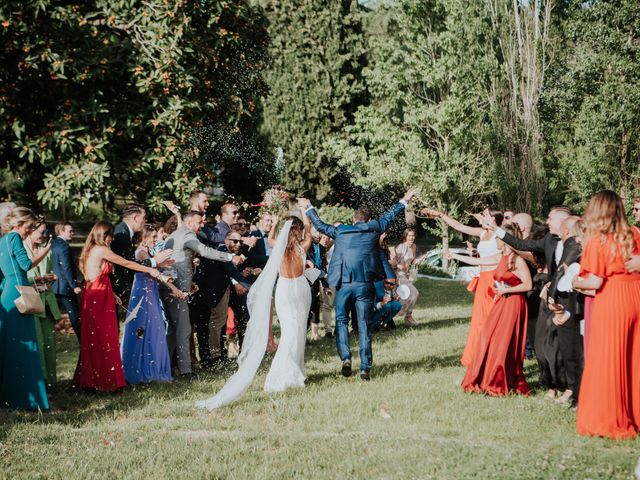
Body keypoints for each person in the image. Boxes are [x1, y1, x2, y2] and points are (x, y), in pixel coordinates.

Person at [195, 215, 312, 410]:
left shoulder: (278, 246)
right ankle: (284, 373)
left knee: (292, 333)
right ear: (298, 231)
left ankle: (294, 370)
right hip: (299, 290)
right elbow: (308, 230)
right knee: (296, 333)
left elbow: (273, 237)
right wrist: (304, 210)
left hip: (287, 291)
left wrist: (274, 226)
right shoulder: (303, 246)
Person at [304, 190, 416, 380]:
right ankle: (365, 367)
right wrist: (404, 200)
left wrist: (308, 208)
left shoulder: (341, 230)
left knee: (341, 321)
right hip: (365, 285)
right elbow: (390, 215)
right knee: (364, 324)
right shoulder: (375, 228)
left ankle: (346, 358)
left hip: (344, 285)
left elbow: (320, 225)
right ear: (369, 219)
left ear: (353, 219)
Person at [484, 206, 572, 400]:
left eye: (550, 218)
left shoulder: (576, 242)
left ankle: (567, 387)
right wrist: (496, 230)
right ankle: (550, 385)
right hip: (546, 295)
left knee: (560, 345)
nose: (547, 222)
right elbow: (521, 245)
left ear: (562, 221)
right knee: (540, 343)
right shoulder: (548, 239)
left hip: (569, 298)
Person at [572, 190, 640, 439]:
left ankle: (610, 417)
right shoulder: (634, 233)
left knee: (608, 358)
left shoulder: (598, 240)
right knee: (634, 358)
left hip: (614, 300)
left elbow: (595, 282)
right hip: (636, 296)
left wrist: (575, 282)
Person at [73, 222, 168, 392]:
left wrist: (112, 293)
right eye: (111, 236)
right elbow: (126, 263)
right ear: (104, 235)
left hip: (96, 294)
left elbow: (93, 276)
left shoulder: (90, 249)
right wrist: (151, 269)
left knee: (96, 338)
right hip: (99, 298)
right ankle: (106, 381)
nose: (112, 239)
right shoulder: (101, 249)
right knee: (105, 338)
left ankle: (94, 380)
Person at [161, 211, 243, 377]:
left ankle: (165, 368)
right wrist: (229, 256)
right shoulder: (187, 234)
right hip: (177, 291)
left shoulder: (175, 234)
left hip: (169, 287)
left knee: (171, 330)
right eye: (200, 222)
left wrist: (188, 282)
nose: (202, 225)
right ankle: (186, 372)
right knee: (184, 330)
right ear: (189, 221)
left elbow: (176, 263)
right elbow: (204, 251)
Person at [422, 206, 503, 366]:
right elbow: (459, 226)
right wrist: (440, 214)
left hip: (494, 279)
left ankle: (493, 355)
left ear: (493, 218)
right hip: (483, 277)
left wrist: (460, 256)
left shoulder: (499, 235)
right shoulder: (482, 233)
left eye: (484, 214)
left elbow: (496, 259)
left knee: (491, 318)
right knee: (479, 319)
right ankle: (476, 356)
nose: (481, 217)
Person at [457, 224, 532, 396]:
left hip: (514, 303)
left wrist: (507, 290)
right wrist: (453, 255)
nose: (495, 240)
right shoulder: (501, 257)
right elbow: (478, 261)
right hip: (501, 302)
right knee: (488, 337)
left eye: (497, 238)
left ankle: (501, 380)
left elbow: (528, 284)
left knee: (504, 341)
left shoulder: (517, 259)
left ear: (505, 240)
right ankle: (486, 377)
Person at [0, 207, 51, 410]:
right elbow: (26, 264)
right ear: (19, 224)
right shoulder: (14, 238)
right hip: (18, 295)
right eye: (28, 228)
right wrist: (45, 252)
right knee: (27, 347)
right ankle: (26, 400)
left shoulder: (2, 240)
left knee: (10, 347)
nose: (29, 232)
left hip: (7, 294)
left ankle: (9, 396)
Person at [121, 225, 182, 384]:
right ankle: (141, 370)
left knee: (154, 330)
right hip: (143, 297)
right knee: (143, 330)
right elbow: (150, 269)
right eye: (153, 237)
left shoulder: (147, 253)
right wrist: (160, 266)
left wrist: (171, 281)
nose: (157, 240)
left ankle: (152, 368)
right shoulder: (141, 253)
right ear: (143, 239)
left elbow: (158, 272)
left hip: (151, 295)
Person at [190, 230, 251, 367]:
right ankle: (214, 357)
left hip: (218, 293)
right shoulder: (222, 253)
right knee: (214, 325)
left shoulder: (224, 252)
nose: (238, 244)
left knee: (216, 325)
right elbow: (233, 272)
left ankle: (213, 357)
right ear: (226, 240)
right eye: (235, 241)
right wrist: (252, 288)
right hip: (210, 295)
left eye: (240, 242)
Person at [111, 204, 173, 320]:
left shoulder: (124, 232)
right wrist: (153, 261)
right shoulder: (121, 235)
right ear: (135, 217)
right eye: (144, 218)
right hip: (118, 287)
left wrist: (157, 263)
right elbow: (127, 264)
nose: (145, 221)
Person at [24, 221, 60, 387]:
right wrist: (37, 280)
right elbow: (18, 277)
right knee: (37, 343)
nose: (45, 235)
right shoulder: (21, 250)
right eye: (42, 232)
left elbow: (49, 273)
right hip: (30, 303)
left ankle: (51, 383)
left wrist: (51, 278)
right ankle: (38, 383)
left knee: (49, 344)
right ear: (31, 230)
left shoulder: (45, 250)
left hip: (47, 303)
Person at [51, 222, 81, 341]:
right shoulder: (63, 246)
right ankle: (82, 340)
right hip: (65, 286)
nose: (72, 233)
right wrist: (74, 285)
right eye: (70, 231)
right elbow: (66, 268)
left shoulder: (53, 244)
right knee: (74, 315)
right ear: (61, 231)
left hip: (56, 285)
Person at [394, 228, 421, 326]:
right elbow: (393, 261)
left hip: (407, 275)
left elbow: (412, 261)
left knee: (407, 295)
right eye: (409, 235)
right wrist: (398, 265)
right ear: (405, 236)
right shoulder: (401, 247)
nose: (412, 237)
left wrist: (421, 259)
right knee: (414, 293)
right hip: (399, 275)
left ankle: (407, 317)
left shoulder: (413, 246)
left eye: (413, 235)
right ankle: (407, 316)